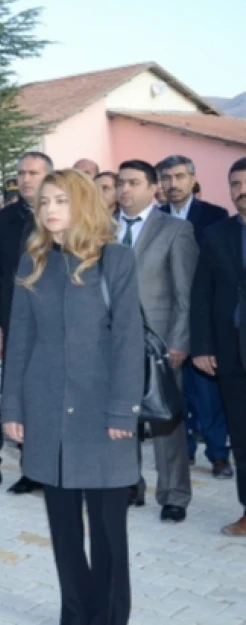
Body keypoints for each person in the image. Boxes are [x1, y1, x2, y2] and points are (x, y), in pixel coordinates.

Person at [2, 168, 143, 625]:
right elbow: (18, 340)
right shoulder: (33, 260)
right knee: (62, 531)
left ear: (81, 203)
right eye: (45, 202)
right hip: (46, 411)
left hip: (103, 413)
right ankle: (76, 615)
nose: (50, 210)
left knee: (107, 534)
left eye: (60, 201)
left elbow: (128, 339)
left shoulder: (115, 260)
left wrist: (123, 408)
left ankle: (109, 618)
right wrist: (13, 408)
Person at [117, 159, 198, 518]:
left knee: (165, 421)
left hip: (161, 344)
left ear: (154, 189)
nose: (124, 189)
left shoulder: (175, 230)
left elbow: (185, 294)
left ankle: (174, 495)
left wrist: (179, 341)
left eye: (133, 182)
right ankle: (129, 484)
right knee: (121, 418)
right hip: (114, 342)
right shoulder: (104, 229)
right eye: (120, 183)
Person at [156, 154, 234, 480]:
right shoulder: (156, 218)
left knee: (207, 392)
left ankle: (218, 455)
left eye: (178, 177)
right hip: (166, 320)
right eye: (166, 178)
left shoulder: (215, 217)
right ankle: (183, 452)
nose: (173, 184)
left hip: (203, 318)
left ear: (192, 179)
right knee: (173, 392)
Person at [190, 157, 246, 536]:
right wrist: (202, 346)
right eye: (235, 185)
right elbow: (202, 295)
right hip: (231, 353)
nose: (242, 191)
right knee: (241, 436)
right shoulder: (216, 234)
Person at [0, 151, 55, 494]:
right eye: (21, 173)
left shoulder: (61, 217)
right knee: (17, 392)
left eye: (33, 172)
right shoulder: (5, 220)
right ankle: (29, 468)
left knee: (47, 396)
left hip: (50, 323)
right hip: (11, 320)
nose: (26, 179)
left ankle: (52, 467)